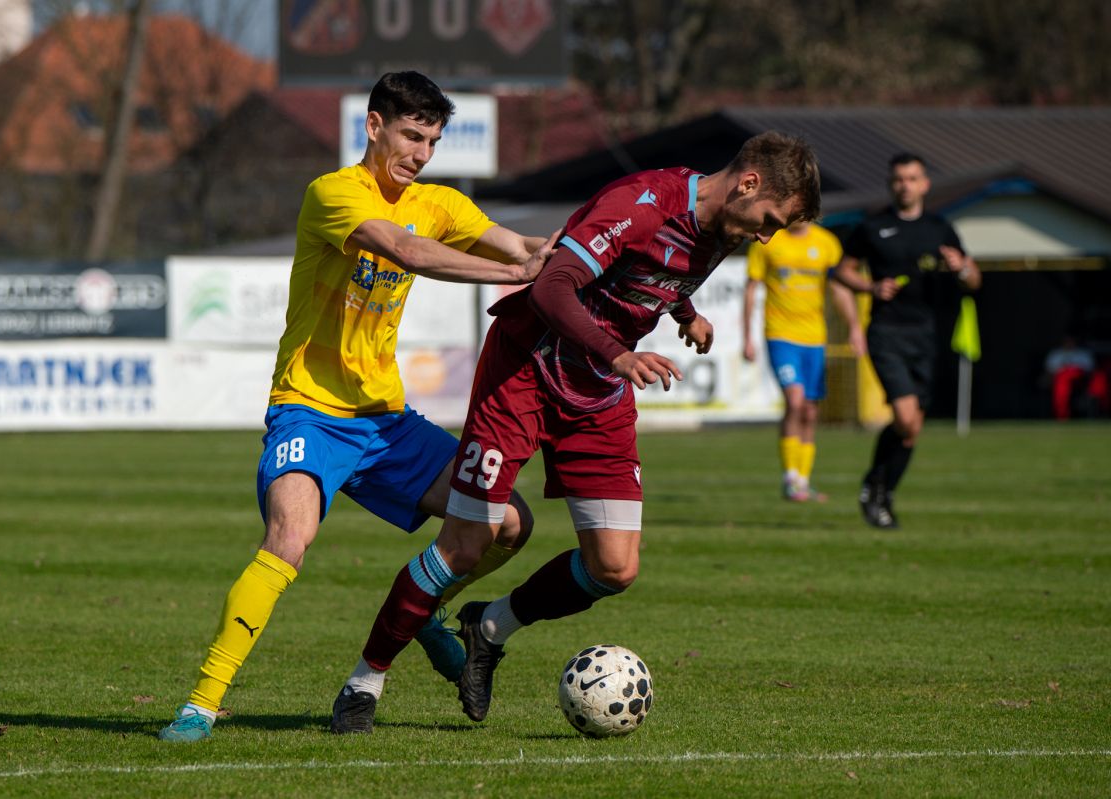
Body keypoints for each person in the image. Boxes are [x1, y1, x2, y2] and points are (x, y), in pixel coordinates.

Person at [329, 131, 822, 732]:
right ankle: (365, 681)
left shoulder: (725, 228)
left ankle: (489, 627)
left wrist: (687, 314)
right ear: (748, 184)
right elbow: (549, 287)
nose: (767, 236)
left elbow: (662, 275)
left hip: (596, 394)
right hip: (523, 373)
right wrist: (618, 353)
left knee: (614, 567)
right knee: (465, 544)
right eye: (770, 221)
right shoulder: (642, 203)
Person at [158, 71, 556, 742]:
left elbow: (521, 246)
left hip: (386, 422)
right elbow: (406, 249)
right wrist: (515, 274)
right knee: (288, 540)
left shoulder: (440, 203)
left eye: (432, 141)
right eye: (411, 135)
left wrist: (565, 250)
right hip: (309, 411)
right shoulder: (333, 193)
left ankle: (424, 606)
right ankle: (202, 702)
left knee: (510, 521)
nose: (421, 154)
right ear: (374, 126)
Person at [831, 153, 981, 529]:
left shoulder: (940, 229)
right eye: (899, 179)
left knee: (911, 429)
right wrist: (870, 287)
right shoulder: (873, 226)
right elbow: (842, 272)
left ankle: (881, 490)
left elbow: (974, 280)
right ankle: (875, 487)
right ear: (890, 184)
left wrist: (962, 268)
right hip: (886, 332)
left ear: (925, 184)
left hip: (926, 334)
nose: (905, 185)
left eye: (912, 178)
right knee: (904, 416)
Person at [743, 221, 861, 501]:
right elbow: (751, 289)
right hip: (780, 335)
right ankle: (790, 478)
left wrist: (854, 326)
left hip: (815, 338)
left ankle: (803, 481)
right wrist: (747, 336)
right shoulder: (769, 241)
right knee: (795, 401)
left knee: (809, 411)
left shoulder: (826, 243)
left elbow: (840, 288)